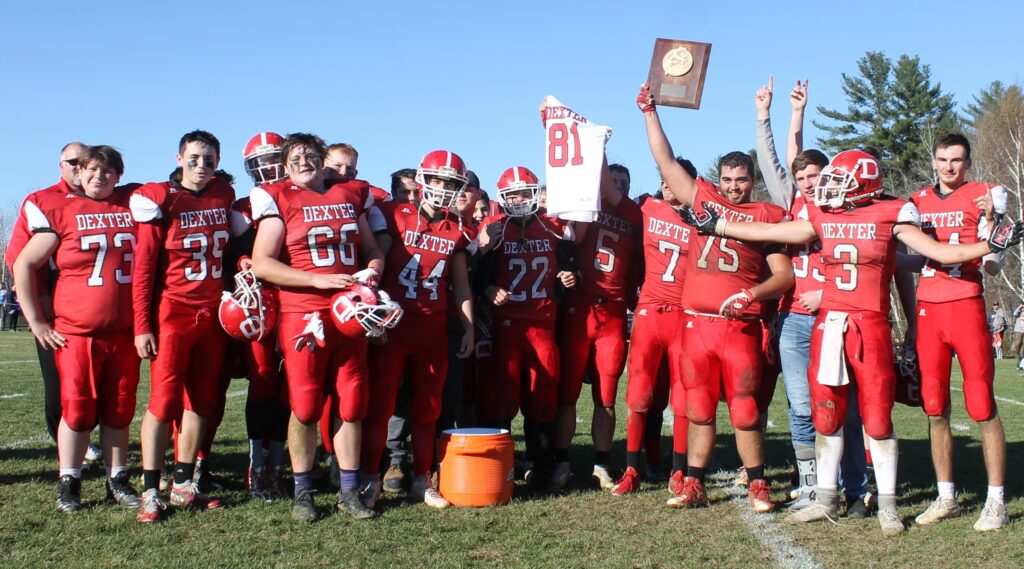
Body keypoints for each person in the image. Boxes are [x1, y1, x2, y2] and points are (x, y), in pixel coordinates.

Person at [678, 148, 1022, 535]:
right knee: (826, 413)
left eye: (839, 181)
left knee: (875, 417)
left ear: (865, 183)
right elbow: (773, 231)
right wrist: (719, 226)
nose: (828, 188)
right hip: (830, 324)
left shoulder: (892, 212)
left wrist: (989, 246)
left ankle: (888, 505)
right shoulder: (824, 215)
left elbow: (939, 253)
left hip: (870, 326)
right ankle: (826, 498)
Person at [638, 84, 794, 514]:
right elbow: (665, 162)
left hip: (738, 325)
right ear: (718, 179)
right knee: (699, 407)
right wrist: (650, 112)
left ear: (752, 181)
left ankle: (758, 485)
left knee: (745, 409)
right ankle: (695, 483)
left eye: (741, 180)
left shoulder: (766, 215)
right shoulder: (704, 200)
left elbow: (784, 276)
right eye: (726, 180)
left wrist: (752, 293)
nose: (733, 188)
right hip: (696, 325)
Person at [754, 76, 872, 517]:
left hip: (836, 317)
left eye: (813, 175)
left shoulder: (846, 205)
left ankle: (856, 486)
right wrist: (769, 116)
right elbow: (776, 162)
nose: (805, 181)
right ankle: (811, 486)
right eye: (801, 176)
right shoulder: (794, 202)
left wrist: (829, 294)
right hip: (794, 319)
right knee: (801, 405)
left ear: (830, 177)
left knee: (847, 405)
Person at [251, 133, 385, 521]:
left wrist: (373, 271)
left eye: (311, 155)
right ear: (285, 164)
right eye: (296, 157)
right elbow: (262, 262)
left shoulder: (351, 194)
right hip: (304, 313)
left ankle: (348, 490)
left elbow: (373, 249)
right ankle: (303, 491)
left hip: (350, 310)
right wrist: (316, 281)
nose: (304, 162)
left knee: (352, 401)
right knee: (306, 406)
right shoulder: (279, 197)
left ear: (322, 161)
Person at [14, 145, 141, 512]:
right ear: (79, 173)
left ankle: (117, 478)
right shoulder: (61, 208)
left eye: (107, 171)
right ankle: (68, 479)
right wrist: (36, 321)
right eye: (91, 170)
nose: (99, 177)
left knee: (119, 409)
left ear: (118, 174)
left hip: (122, 331)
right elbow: (23, 264)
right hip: (76, 332)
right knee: (77, 409)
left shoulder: (132, 204)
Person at [360, 150, 476, 510]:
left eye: (451, 183)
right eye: (438, 180)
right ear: (424, 180)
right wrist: (373, 313)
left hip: (432, 326)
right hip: (395, 324)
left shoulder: (457, 229)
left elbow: (461, 284)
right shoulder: (395, 217)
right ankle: (369, 478)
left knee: (428, 406)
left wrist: (469, 327)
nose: (443, 189)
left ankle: (422, 477)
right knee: (381, 406)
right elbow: (374, 263)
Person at [130, 130, 235, 523]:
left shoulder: (222, 193)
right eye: (194, 158)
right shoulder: (161, 198)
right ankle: (150, 490)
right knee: (162, 403)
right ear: (178, 158)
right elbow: (143, 270)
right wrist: (143, 325)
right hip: (173, 311)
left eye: (209, 159)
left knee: (200, 401)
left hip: (211, 314)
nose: (201, 165)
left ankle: (183, 481)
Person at [909, 133, 1011, 531]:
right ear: (933, 160)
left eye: (957, 159)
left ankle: (997, 500)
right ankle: (946, 495)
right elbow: (912, 257)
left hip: (966, 305)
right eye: (942, 159)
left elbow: (993, 268)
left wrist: (991, 224)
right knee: (934, 407)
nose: (949, 166)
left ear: (968, 162)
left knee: (982, 404)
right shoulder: (917, 200)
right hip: (928, 310)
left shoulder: (984, 194)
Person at [475, 166, 577, 483]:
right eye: (511, 194)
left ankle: (541, 463)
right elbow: (474, 274)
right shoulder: (494, 228)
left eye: (523, 193)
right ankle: (501, 462)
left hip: (543, 321)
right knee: (502, 396)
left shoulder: (554, 227)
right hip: (507, 324)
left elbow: (571, 264)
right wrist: (489, 289)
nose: (518, 200)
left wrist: (568, 276)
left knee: (542, 395)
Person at [611, 160, 693, 497]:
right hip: (649, 312)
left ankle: (678, 469)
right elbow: (608, 194)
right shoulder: (646, 206)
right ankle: (632, 468)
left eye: (675, 179)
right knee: (640, 395)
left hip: (684, 314)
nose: (668, 184)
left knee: (682, 399)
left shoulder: (702, 217)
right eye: (664, 178)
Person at [5, 142, 86, 442]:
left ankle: (88, 440)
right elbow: (16, 258)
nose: (80, 167)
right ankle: (62, 439)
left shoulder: (105, 198)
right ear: (60, 165)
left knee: (93, 384)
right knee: (58, 383)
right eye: (73, 161)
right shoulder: (41, 200)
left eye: (85, 161)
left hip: (91, 306)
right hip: (54, 303)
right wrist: (39, 300)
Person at [1013, 304, 1024, 371]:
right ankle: (1018, 357)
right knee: (1017, 344)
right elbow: (1014, 314)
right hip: (1018, 330)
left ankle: (1021, 362)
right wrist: (1019, 307)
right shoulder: (1019, 311)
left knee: (1023, 347)